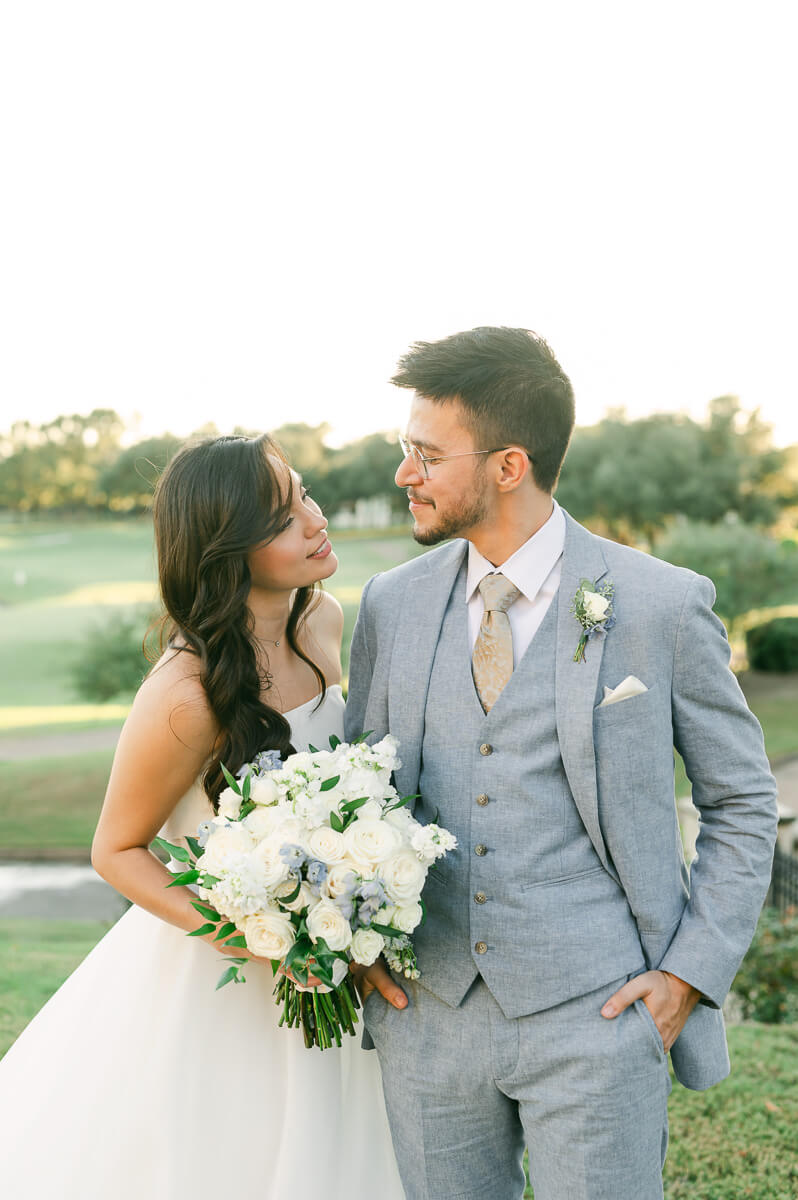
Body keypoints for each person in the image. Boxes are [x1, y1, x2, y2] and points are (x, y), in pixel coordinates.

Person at [345, 327, 778, 1200]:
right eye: (405, 451)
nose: (404, 475)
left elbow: (742, 802)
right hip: (427, 1019)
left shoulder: (660, 604)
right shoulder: (392, 604)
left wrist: (690, 972)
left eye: (426, 455)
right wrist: (355, 941)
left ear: (509, 465)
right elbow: (359, 792)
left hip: (601, 1014)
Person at [0, 434, 405, 1200]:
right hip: (224, 976)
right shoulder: (186, 693)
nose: (316, 520)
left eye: (307, 494)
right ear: (230, 549)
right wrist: (263, 937)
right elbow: (116, 849)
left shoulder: (323, 624)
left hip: (330, 964)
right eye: (286, 517)